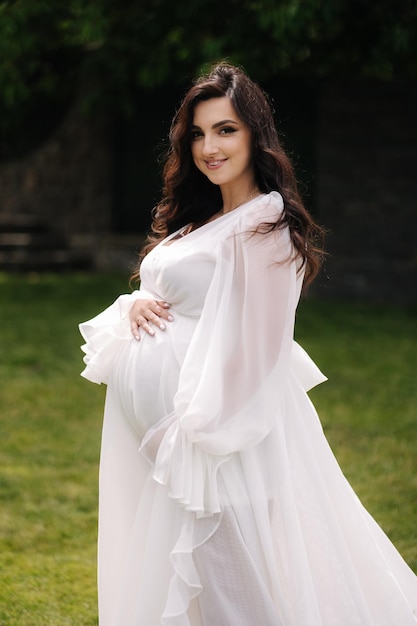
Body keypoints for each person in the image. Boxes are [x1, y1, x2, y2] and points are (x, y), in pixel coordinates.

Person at [79, 62, 417, 626]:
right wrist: (132, 303)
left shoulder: (266, 225)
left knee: (238, 589)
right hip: (178, 445)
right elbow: (179, 296)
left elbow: (260, 353)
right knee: (202, 592)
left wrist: (193, 434)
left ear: (256, 134)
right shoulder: (203, 219)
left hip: (216, 448)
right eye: (197, 133)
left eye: (225, 130)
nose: (209, 147)